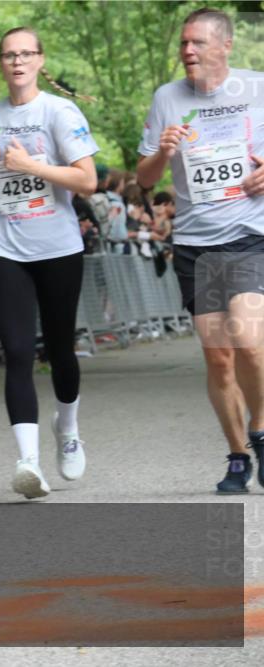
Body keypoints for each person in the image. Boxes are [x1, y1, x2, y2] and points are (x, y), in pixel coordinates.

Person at [136, 8, 264, 493]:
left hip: (250, 235)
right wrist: (162, 154)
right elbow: (144, 182)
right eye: (183, 45)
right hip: (196, 245)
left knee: (251, 343)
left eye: (197, 43)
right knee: (220, 359)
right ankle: (237, 457)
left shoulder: (258, 88)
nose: (187, 52)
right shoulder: (167, 98)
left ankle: (261, 431)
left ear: (225, 46)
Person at [0, 26, 98, 499]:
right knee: (18, 352)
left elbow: (87, 181)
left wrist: (33, 167)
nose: (17, 62)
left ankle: (67, 429)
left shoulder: (60, 111)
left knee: (60, 350)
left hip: (59, 247)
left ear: (41, 60)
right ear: (0, 63)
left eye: (26, 54)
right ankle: (27, 463)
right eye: (8, 55)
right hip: (7, 247)